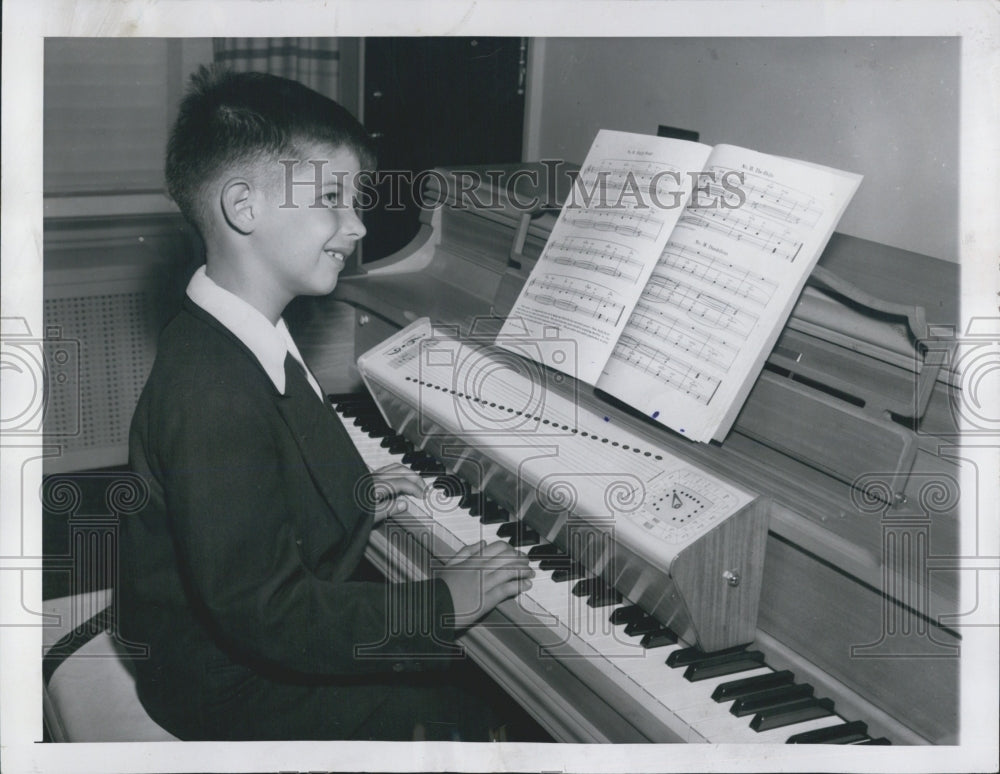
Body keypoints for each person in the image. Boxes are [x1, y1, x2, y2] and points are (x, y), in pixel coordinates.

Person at [117, 66, 533, 741]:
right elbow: (269, 615)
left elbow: (265, 481)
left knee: (461, 680)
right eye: (333, 198)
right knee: (471, 711)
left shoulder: (235, 331)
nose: (358, 224)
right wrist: (436, 605)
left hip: (231, 650)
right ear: (243, 207)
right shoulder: (211, 392)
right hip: (227, 687)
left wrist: (352, 498)